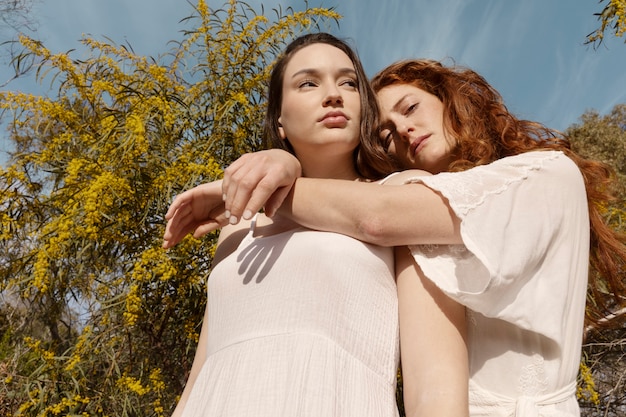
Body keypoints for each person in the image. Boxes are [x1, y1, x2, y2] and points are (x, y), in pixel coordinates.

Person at [164, 58, 626, 417]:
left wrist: (266, 187)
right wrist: (279, 166)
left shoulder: (543, 174)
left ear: (453, 100)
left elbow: (376, 216)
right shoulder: (412, 217)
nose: (402, 130)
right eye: (384, 134)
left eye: (411, 108)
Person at [166, 37, 468, 417]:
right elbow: (200, 377)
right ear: (279, 120)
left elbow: (434, 385)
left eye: (349, 83)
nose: (333, 95)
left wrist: (286, 171)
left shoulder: (402, 201)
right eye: (308, 83)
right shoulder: (236, 229)